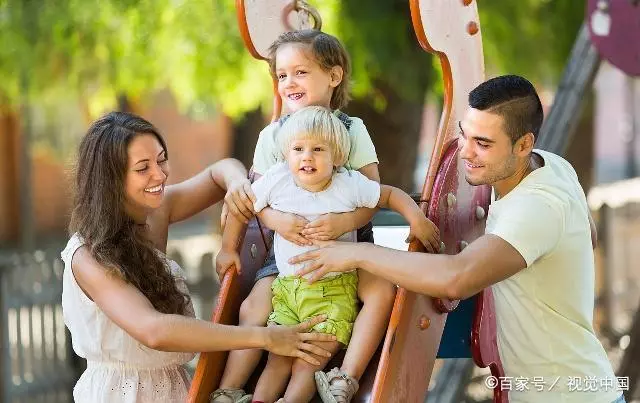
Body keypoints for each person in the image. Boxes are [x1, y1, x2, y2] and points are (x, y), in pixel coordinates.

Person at [290, 75, 626, 403]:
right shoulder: (552, 165)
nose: (466, 152)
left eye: (483, 144)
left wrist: (358, 254)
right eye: (466, 136)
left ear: (524, 144)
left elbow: (456, 279)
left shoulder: (537, 208)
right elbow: (589, 235)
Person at [213, 30, 439, 403]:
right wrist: (274, 224)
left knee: (382, 291)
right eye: (282, 75)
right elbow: (254, 202)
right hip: (287, 254)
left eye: (300, 72)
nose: (289, 83)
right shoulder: (273, 136)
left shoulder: (351, 131)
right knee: (253, 305)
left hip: (349, 249)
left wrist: (345, 224)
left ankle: (344, 379)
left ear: (333, 76)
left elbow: (374, 194)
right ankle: (229, 388)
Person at [61, 111, 337, 403]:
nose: (160, 174)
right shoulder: (88, 255)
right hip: (120, 394)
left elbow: (221, 171)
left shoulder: (155, 212)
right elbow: (154, 330)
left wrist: (236, 187)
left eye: (161, 159)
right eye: (143, 168)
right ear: (111, 180)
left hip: (176, 389)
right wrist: (265, 337)